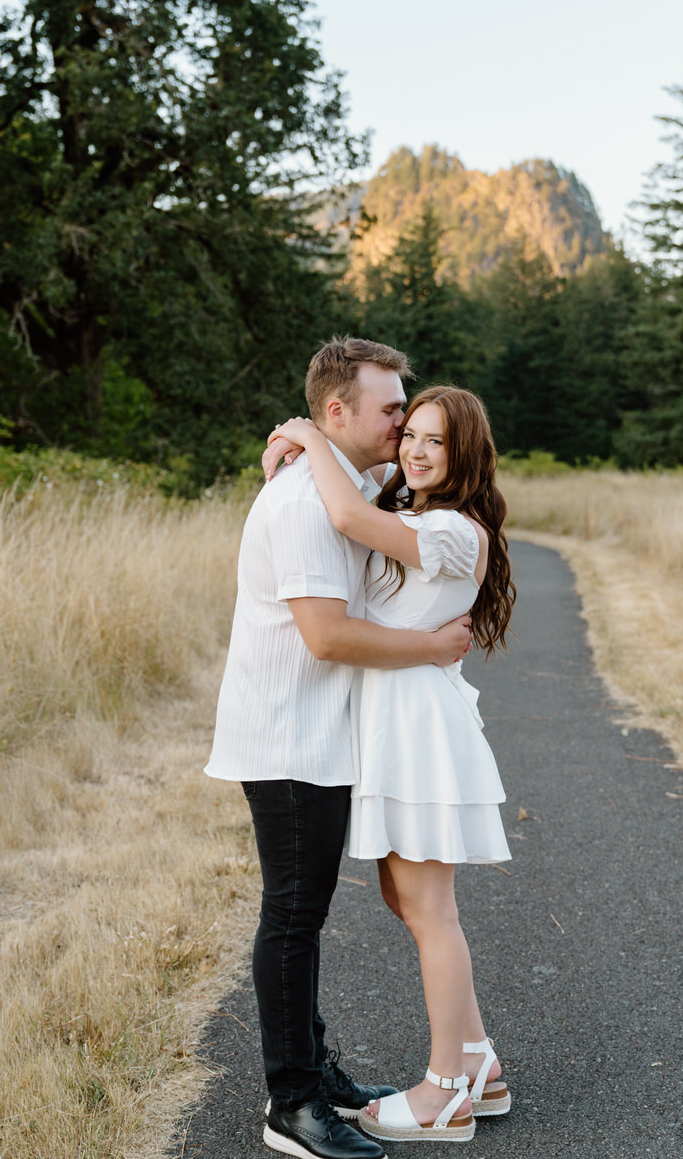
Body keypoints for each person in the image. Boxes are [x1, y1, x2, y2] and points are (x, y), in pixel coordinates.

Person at [204, 338, 474, 1159]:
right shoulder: (302, 504)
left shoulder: (348, 487)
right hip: (288, 738)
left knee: (304, 914)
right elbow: (324, 636)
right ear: (338, 412)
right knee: (291, 916)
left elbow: (378, 518)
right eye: (392, 408)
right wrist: (434, 648)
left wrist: (300, 441)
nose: (403, 422)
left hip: (321, 738)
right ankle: (292, 1106)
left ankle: (314, 1075)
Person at [269, 385, 515, 1146]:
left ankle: (447, 1089)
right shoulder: (416, 514)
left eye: (436, 442)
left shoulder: (453, 531)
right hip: (395, 726)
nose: (414, 450)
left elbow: (346, 513)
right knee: (407, 901)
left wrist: (309, 435)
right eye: (410, 434)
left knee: (429, 908)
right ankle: (481, 1066)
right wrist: (288, 454)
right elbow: (348, 502)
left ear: (466, 453)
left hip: (419, 731)